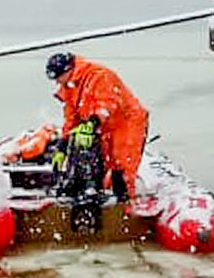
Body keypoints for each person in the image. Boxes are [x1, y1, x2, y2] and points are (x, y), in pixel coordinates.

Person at [44, 52, 148, 201]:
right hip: (102, 126)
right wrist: (63, 145)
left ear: (67, 71)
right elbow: (71, 118)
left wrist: (92, 122)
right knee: (101, 166)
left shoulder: (99, 76)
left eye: (58, 78)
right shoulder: (70, 87)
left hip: (126, 123)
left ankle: (124, 209)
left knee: (123, 170)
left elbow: (108, 104)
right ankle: (97, 198)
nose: (57, 83)